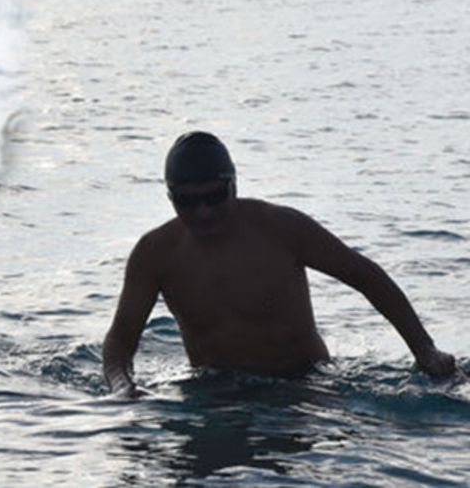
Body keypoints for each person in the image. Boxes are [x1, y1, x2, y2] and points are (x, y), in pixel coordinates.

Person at [102, 131, 457, 397]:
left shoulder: (282, 229)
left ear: (234, 186)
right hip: (216, 394)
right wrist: (121, 385)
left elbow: (365, 276)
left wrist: (424, 350)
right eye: (188, 202)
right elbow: (120, 339)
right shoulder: (155, 254)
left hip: (306, 384)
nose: (203, 212)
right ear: (170, 197)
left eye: (214, 197)